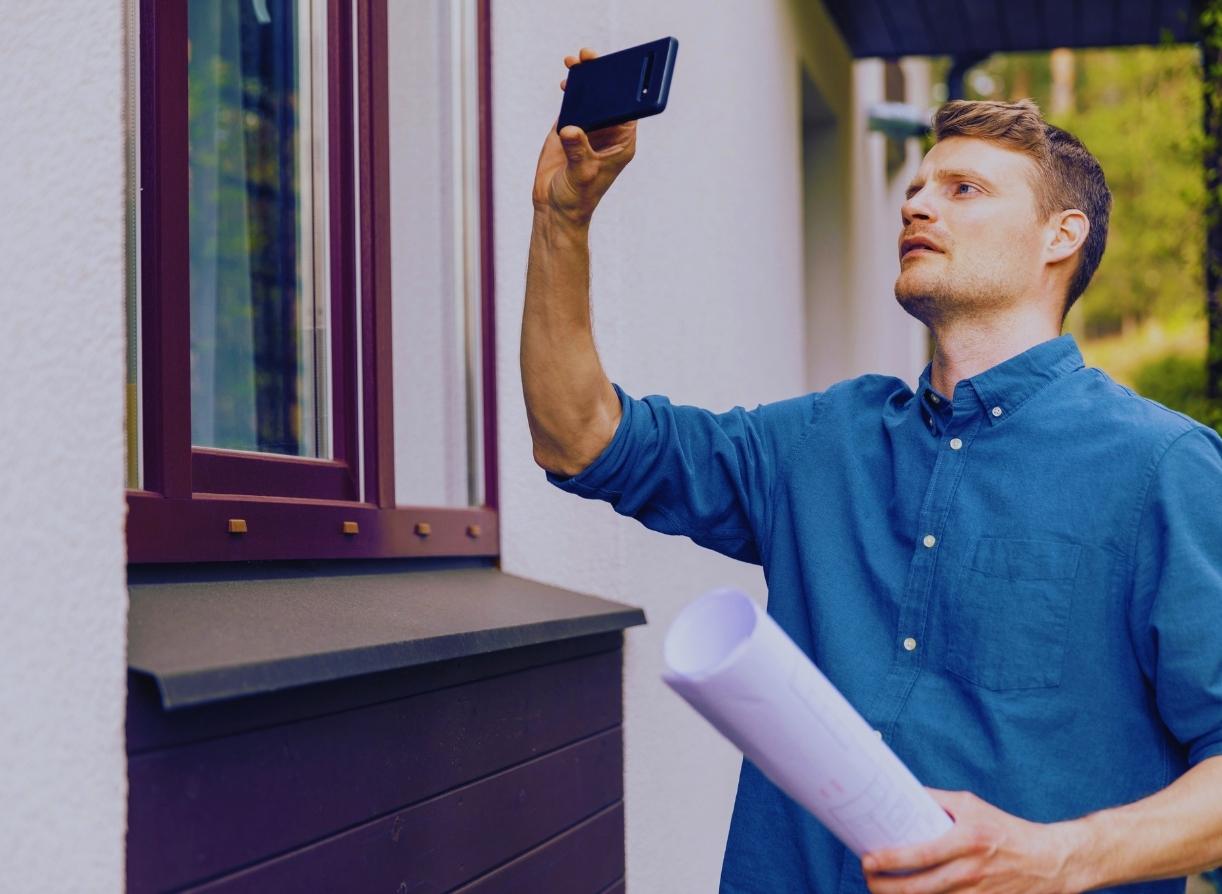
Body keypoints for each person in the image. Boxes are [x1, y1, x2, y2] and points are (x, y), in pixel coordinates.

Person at [522, 46, 1222, 894]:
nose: (919, 203)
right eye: (917, 189)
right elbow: (582, 438)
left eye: (963, 189)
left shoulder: (1162, 467)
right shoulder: (824, 440)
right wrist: (562, 222)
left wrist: (1054, 857)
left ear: (1060, 236)